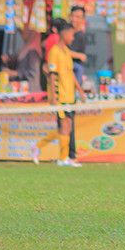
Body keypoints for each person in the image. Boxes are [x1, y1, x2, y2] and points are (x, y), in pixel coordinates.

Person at [34, 19, 87, 167]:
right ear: (64, 34)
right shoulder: (55, 52)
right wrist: (53, 98)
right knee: (64, 126)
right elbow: (52, 75)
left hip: (69, 95)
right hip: (60, 95)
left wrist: (80, 90)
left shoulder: (66, 53)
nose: (72, 38)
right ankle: (62, 158)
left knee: (67, 127)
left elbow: (70, 74)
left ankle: (40, 148)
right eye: (71, 35)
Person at [68, 5, 90, 91]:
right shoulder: (65, 31)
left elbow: (83, 57)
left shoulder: (81, 36)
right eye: (72, 16)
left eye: (77, 17)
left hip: (74, 69)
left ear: (82, 20)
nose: (74, 19)